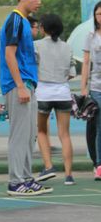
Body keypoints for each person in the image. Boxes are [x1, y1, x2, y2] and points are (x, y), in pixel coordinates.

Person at [0, 0, 53, 196]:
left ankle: (26, 178)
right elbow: (9, 54)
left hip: (28, 83)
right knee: (19, 134)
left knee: (30, 133)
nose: (39, 2)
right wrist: (20, 86)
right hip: (17, 84)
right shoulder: (15, 19)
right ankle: (15, 182)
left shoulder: (23, 21)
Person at [34, 14, 76, 185]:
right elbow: (72, 73)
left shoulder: (36, 45)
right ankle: (69, 175)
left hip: (43, 92)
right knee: (64, 134)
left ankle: (49, 166)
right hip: (63, 92)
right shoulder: (67, 47)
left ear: (43, 28)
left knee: (41, 131)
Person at [81, 1, 101, 180]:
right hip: (96, 87)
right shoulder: (91, 36)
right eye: (98, 14)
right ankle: (99, 164)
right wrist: (83, 87)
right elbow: (86, 62)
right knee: (99, 125)